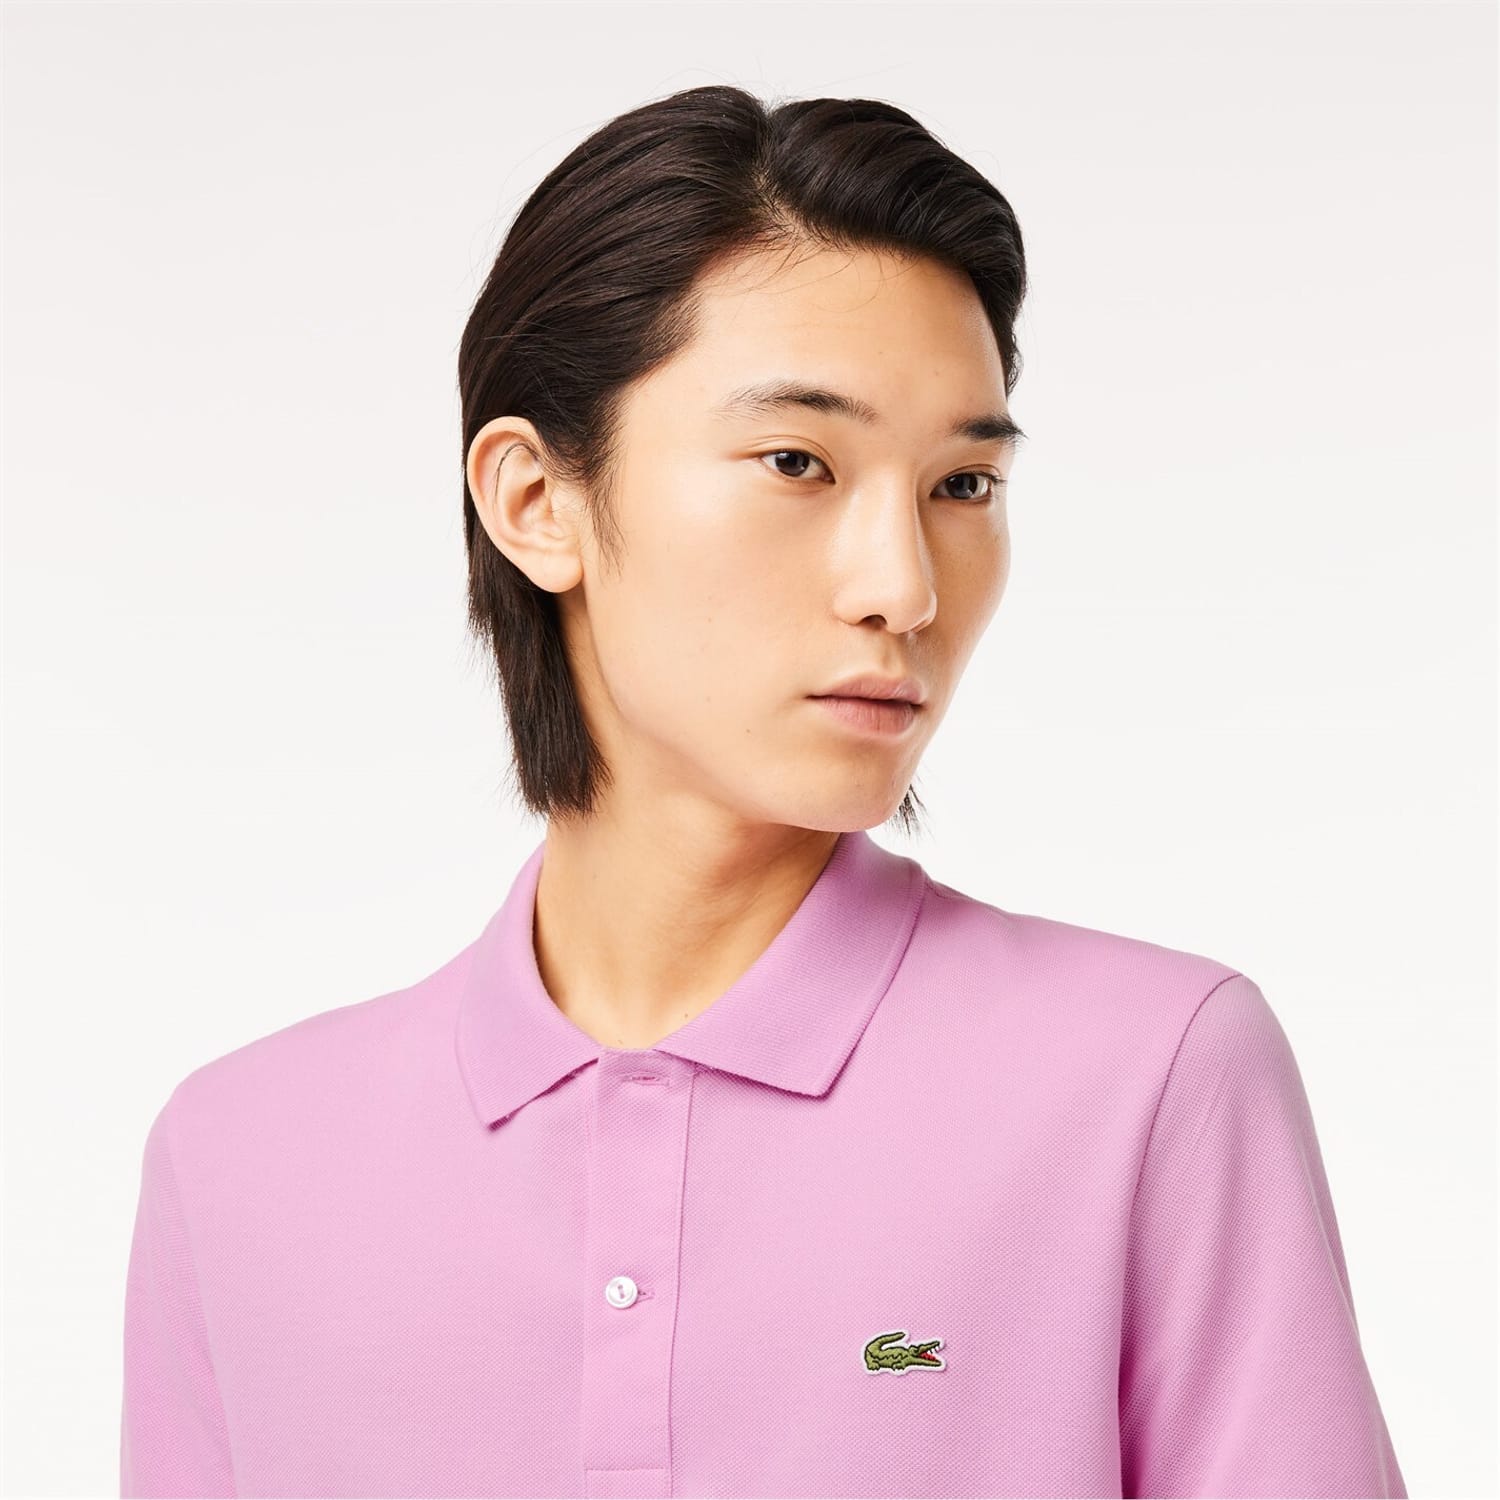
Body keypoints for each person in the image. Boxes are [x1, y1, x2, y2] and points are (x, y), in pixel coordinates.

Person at [120, 85, 1407, 1499]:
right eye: (799, 462)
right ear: (536, 501)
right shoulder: (239, 1165)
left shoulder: (1151, 1079)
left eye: (963, 485)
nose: (903, 588)